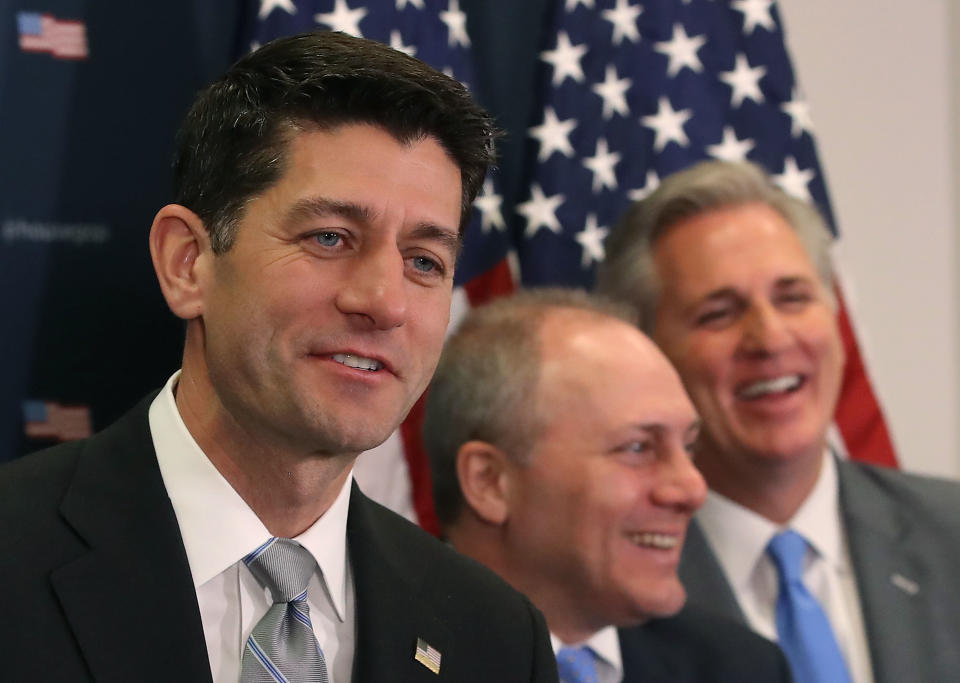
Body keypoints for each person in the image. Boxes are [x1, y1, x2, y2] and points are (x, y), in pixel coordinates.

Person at [0, 31, 557, 683]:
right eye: (330, 237)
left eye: (423, 261)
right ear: (189, 263)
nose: (385, 302)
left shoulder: (497, 637)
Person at [597, 159, 960, 683]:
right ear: (645, 351)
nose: (769, 339)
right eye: (718, 313)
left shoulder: (951, 536)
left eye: (793, 298)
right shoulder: (602, 585)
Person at [423, 288, 792, 683]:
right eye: (638, 448)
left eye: (688, 446)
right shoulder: (375, 654)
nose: (691, 489)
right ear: (491, 482)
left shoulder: (738, 669)